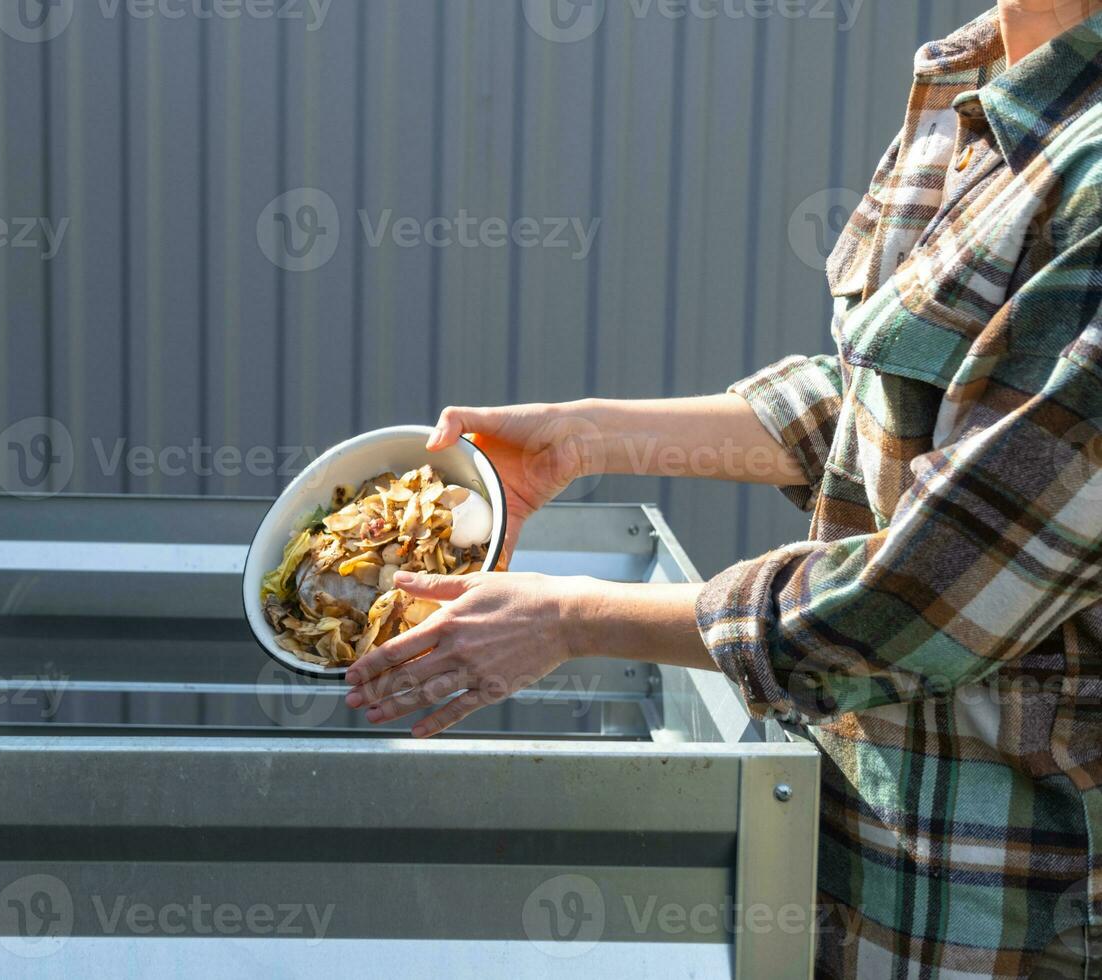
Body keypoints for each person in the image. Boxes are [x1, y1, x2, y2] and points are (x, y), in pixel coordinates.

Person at [346, 3, 1102, 975]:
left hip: (1002, 913)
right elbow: (887, 403)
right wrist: (585, 435)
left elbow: (926, 597)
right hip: (851, 857)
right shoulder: (970, 70)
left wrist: (569, 618)